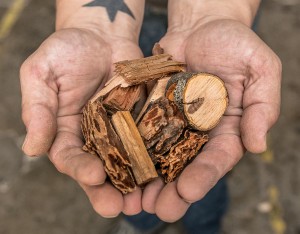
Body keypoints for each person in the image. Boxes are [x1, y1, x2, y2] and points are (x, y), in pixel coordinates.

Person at [20, 0, 281, 233]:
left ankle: (204, 225)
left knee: (202, 178)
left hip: (212, 13)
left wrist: (216, 14)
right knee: (134, 197)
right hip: (124, 24)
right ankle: (141, 223)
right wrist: (92, 25)